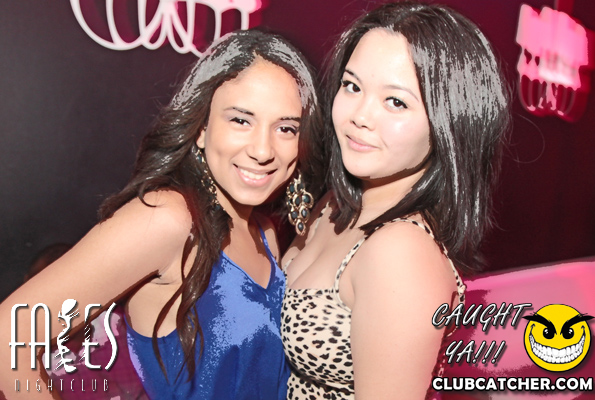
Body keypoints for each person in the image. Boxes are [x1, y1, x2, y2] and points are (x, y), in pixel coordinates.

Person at [0, 29, 322, 400]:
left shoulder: (264, 231)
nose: (263, 150)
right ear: (201, 127)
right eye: (240, 120)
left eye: (286, 128)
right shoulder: (168, 218)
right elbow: (11, 336)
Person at [280, 2, 510, 399]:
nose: (360, 116)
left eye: (396, 102)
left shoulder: (400, 252)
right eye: (352, 86)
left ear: (448, 126)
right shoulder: (336, 203)